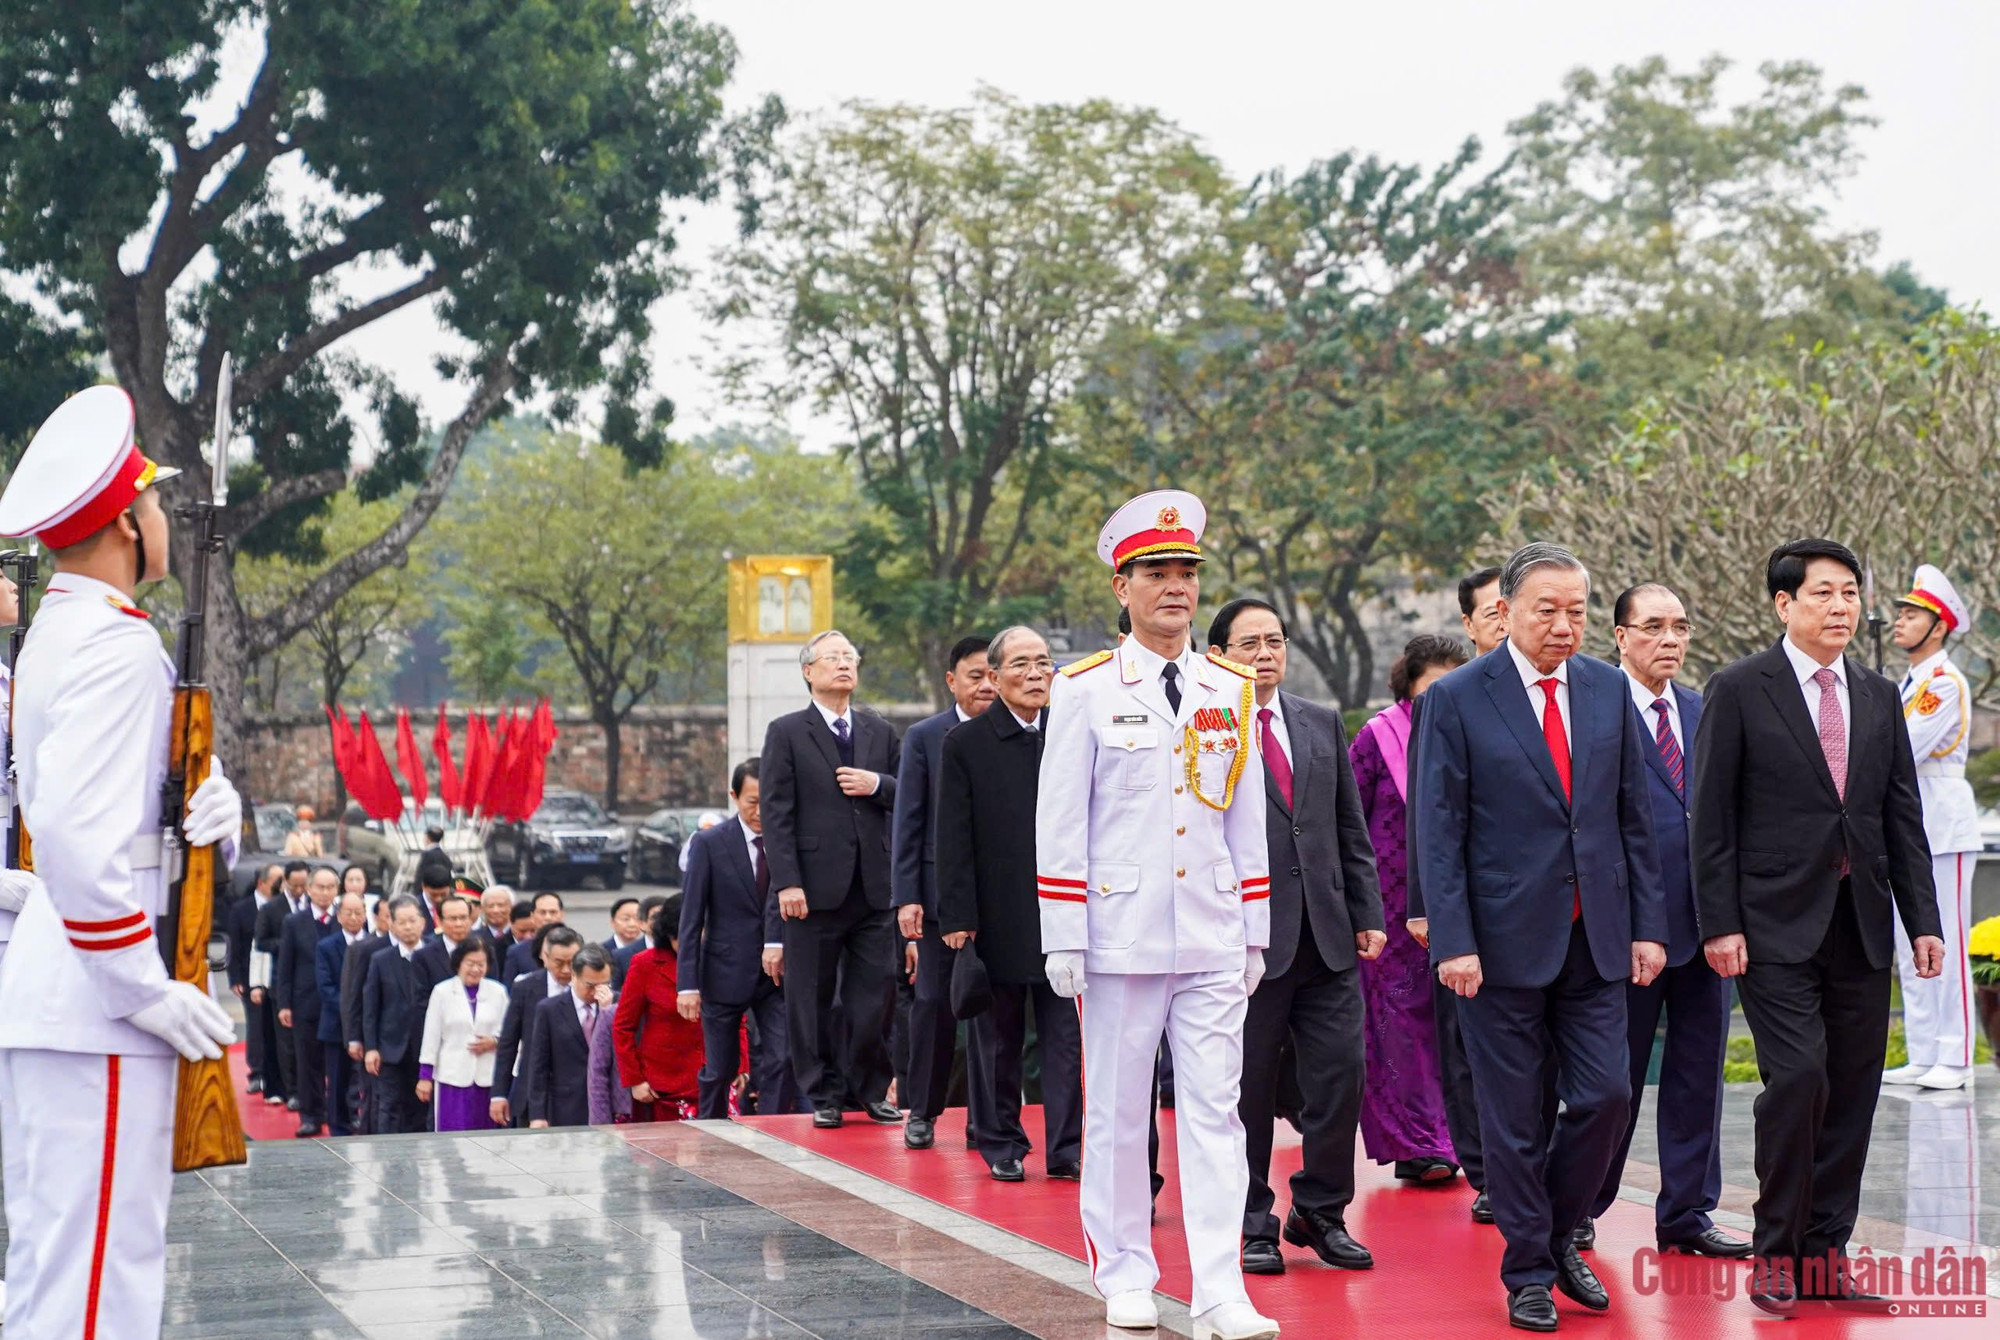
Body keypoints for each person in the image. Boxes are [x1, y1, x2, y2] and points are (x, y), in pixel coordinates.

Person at [0, 384, 244, 1337]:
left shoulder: (61, 634)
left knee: (55, 1273)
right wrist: (141, 985)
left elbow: (90, 801)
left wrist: (200, 799)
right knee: (98, 1286)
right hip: (97, 1009)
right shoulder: (114, 647)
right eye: (153, 504)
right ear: (125, 526)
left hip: (62, 995)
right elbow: (69, 833)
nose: (165, 519)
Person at [1037, 490, 1277, 1340]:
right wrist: (1063, 933)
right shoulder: (1086, 690)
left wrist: (1255, 926)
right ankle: (1127, 1271)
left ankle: (1221, 1287)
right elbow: (1061, 818)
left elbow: (1245, 816)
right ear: (1122, 586)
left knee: (1218, 1113)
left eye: (1186, 574)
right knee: (1117, 1109)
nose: (1176, 588)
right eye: (1157, 574)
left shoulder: (1230, 687)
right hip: (1120, 935)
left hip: (1211, 930)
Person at [1413, 541, 1668, 1332]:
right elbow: (1438, 826)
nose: (1564, 626)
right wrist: (1451, 939)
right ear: (1507, 613)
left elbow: (1633, 816)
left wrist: (1648, 927)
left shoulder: (1604, 689)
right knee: (1515, 1117)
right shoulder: (1456, 698)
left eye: (1576, 612)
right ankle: (1528, 1269)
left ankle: (1556, 1235)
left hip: (1596, 937)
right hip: (1495, 947)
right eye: (1546, 610)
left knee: (1607, 1096)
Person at [1690, 538, 1943, 1314]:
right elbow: (1712, 817)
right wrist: (1719, 922)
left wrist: (1922, 919)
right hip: (1770, 926)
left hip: (1860, 922)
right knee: (1799, 1079)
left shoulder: (1875, 693)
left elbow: (1899, 813)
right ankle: (1774, 1253)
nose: (1842, 607)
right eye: (1825, 593)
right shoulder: (1738, 688)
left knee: (1855, 1092)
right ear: (1784, 604)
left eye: (1851, 594)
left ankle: (1825, 1255)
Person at [1207, 599, 1386, 1277]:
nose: (1264, 653)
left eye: (1275, 641)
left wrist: (1367, 912)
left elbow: (1348, 829)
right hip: (1244, 940)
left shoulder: (1317, 720)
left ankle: (1322, 1211)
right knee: (1247, 1087)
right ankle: (1252, 1218)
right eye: (1249, 642)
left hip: (1328, 935)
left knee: (1341, 1075)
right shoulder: (1206, 726)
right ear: (1219, 653)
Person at [1581, 585, 1748, 1258]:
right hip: (1626, 933)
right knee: (1608, 1084)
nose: (1670, 640)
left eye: (1680, 626)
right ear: (1620, 636)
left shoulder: (1701, 711)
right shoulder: (1594, 711)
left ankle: (1686, 1214)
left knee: (1697, 1074)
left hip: (1706, 925)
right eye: (1653, 627)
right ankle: (1581, 1205)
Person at [937, 625, 1082, 1181]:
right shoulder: (966, 744)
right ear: (993, 678)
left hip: (1064, 911)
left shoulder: (1070, 733)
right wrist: (959, 919)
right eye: (1020, 664)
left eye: (1043, 662)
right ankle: (1001, 1140)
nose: (1035, 674)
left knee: (1065, 1041)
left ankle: (1066, 1148)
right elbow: (952, 837)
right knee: (995, 1040)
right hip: (995, 914)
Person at [760, 629, 903, 1128]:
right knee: (810, 996)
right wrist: (787, 883)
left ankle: (869, 1089)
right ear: (809, 671)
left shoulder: (878, 731)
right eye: (833, 658)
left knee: (874, 995)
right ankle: (821, 1092)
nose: (844, 665)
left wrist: (878, 784)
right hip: (812, 889)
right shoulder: (786, 731)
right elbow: (776, 814)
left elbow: (907, 794)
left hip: (873, 884)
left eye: (851, 657)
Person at [1407, 564, 1508, 1225]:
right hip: (1468, 905)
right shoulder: (1448, 700)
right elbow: (1429, 809)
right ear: (1469, 625)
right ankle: (1489, 1174)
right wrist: (1426, 906)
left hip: (1557, 907)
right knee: (1470, 1049)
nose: (1510, 618)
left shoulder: (1578, 691)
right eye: (1494, 610)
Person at [1349, 634, 1465, 1188]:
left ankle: (1460, 1136)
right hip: (1391, 908)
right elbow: (1350, 816)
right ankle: (1416, 1143)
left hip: (1459, 903)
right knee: (1399, 1026)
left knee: (1457, 1028)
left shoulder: (1472, 735)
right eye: (1430, 692)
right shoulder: (1380, 736)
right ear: (1407, 688)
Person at [892, 634, 998, 1150]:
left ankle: (987, 1119)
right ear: (952, 681)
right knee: (933, 1003)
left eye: (991, 675)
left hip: (1000, 898)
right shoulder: (925, 736)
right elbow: (908, 820)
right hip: (937, 899)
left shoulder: (1019, 732)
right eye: (974, 676)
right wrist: (907, 895)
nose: (985, 685)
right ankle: (923, 1111)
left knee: (991, 1011)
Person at [1883, 565, 1979, 1091]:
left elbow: (1903, 750)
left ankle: (1957, 1056)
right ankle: (1924, 1051)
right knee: (1910, 943)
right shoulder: (1912, 682)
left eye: (1911, 615)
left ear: (1938, 627)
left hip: (1941, 823)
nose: (1899, 622)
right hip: (1910, 824)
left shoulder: (1942, 684)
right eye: (1900, 613)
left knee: (1948, 942)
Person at [678, 759, 799, 1117]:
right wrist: (688, 984)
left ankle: (774, 1130)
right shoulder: (709, 843)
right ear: (734, 796)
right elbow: (690, 918)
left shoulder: (789, 840)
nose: (761, 811)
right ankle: (711, 1128)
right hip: (724, 971)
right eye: (752, 801)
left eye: (770, 800)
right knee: (721, 1068)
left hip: (777, 974)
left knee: (783, 1057)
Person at [614, 896, 707, 1120]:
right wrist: (635, 1080)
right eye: (679, 938)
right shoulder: (645, 964)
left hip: (711, 1076)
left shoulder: (717, 960)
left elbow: (736, 1018)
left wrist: (740, 1065)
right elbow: (623, 1027)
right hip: (661, 1085)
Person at [492, 924, 585, 1127]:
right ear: (545, 956)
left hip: (578, 1095)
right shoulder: (525, 988)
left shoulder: (590, 989)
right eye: (559, 962)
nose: (566, 970)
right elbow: (508, 1043)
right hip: (531, 1093)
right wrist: (499, 1093)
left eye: (572, 962)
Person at [275, 864, 343, 1137]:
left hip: (338, 1004)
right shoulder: (294, 922)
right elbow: (285, 966)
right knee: (307, 1062)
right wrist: (284, 1003)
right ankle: (310, 1115)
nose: (325, 893)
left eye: (330, 888)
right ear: (309, 889)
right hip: (306, 1003)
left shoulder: (345, 919)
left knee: (337, 1063)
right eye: (320, 887)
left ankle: (337, 1112)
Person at [417, 938, 508, 1132]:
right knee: (453, 1134)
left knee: (486, 1136)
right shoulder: (442, 992)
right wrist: (425, 1076)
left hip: (488, 1077)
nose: (475, 969)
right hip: (452, 1077)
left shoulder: (498, 992)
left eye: (481, 964)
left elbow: (508, 1031)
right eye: (470, 963)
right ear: (459, 962)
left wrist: (495, 1041)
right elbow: (431, 1035)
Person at [363, 896, 432, 1134]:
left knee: (421, 1106)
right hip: (390, 1047)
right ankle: (388, 1159)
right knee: (389, 1106)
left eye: (413, 920)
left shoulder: (435, 954)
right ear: (391, 924)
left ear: (423, 922)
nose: (408, 927)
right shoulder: (381, 959)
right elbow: (371, 1006)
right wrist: (371, 1047)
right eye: (402, 922)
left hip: (426, 1047)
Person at [529, 942, 615, 1128]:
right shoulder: (549, 1009)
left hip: (609, 1103)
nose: (596, 992)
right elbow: (539, 1065)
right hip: (566, 1105)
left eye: (604, 984)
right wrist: (537, 1114)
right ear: (574, 976)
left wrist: (607, 1012)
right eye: (590, 985)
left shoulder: (618, 1006)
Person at [316, 890, 371, 1136]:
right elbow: (326, 988)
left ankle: (362, 1119)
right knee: (338, 1080)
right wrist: (351, 1011)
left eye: (358, 912)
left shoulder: (374, 944)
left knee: (364, 1079)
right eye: (348, 912)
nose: (353, 917)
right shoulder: (326, 946)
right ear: (338, 916)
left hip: (368, 1025)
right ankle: (338, 1126)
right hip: (337, 1025)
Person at [255, 859, 309, 1110]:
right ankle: (293, 1090)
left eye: (303, 885)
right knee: (285, 1041)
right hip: (282, 980)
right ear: (285, 882)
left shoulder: (314, 906)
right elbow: (261, 942)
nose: (299, 890)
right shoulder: (271, 908)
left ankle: (310, 1088)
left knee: (309, 1040)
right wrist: (287, 945)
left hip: (309, 982)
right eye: (294, 885)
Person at [340, 880, 393, 1135]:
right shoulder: (365, 949)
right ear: (379, 918)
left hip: (403, 1036)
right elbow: (353, 997)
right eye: (390, 917)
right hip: (373, 1035)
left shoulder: (422, 949)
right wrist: (354, 1037)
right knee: (373, 1094)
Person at [228, 861, 281, 1094]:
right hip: (251, 976)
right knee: (257, 1025)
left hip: (278, 974)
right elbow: (235, 946)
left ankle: (279, 1074)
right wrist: (236, 979)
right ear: (262, 883)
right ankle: (257, 1073)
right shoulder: (242, 909)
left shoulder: (284, 907)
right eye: (276, 882)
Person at [505, 890, 566, 981]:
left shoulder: (574, 947)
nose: (547, 917)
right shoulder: (517, 952)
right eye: (542, 912)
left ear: (562, 915)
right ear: (532, 916)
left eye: (553, 912)